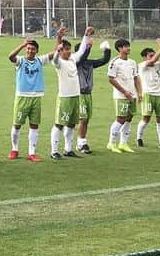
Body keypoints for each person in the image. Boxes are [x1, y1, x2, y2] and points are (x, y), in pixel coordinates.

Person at [8, 31, 62, 162]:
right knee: (17, 124)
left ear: (37, 50)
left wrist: (59, 38)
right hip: (22, 97)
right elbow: (10, 57)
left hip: (36, 97)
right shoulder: (20, 61)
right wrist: (22, 45)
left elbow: (55, 52)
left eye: (32, 49)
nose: (30, 51)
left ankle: (32, 152)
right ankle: (14, 149)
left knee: (34, 125)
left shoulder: (39, 60)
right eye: (28, 48)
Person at [48, 28, 92, 160]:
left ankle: (68, 149)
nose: (68, 51)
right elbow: (55, 57)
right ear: (60, 51)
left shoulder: (72, 59)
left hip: (75, 97)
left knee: (72, 124)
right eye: (65, 49)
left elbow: (82, 51)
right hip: (65, 98)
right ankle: (54, 151)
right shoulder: (58, 63)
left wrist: (85, 35)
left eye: (69, 49)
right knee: (59, 124)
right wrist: (58, 40)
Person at [74, 37, 111, 154]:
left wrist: (107, 49)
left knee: (86, 120)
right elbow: (82, 57)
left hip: (88, 95)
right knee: (83, 118)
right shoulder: (75, 63)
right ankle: (81, 143)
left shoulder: (89, 63)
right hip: (79, 94)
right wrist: (88, 47)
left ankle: (82, 141)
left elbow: (104, 60)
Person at [106, 39, 142, 154]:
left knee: (129, 118)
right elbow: (111, 79)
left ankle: (123, 143)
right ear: (120, 49)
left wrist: (139, 92)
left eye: (128, 46)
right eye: (126, 46)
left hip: (132, 95)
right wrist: (124, 91)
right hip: (121, 96)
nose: (128, 48)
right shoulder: (115, 62)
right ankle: (111, 143)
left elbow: (136, 78)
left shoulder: (132, 62)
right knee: (120, 119)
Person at [136, 39, 160, 148]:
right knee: (146, 118)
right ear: (145, 57)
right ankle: (139, 137)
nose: (153, 57)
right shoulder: (142, 65)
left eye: (153, 55)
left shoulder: (157, 65)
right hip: (148, 94)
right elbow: (152, 61)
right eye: (150, 55)